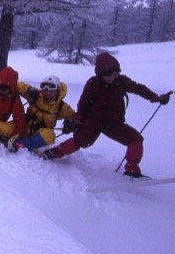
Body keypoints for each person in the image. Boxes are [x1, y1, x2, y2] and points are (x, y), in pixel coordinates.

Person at [42, 52, 170, 178]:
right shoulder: (92, 83)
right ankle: (52, 153)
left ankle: (132, 169)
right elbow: (83, 103)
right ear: (100, 74)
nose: (112, 77)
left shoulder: (122, 81)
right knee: (79, 141)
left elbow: (138, 89)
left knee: (135, 139)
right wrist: (77, 119)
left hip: (114, 124)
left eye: (115, 73)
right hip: (93, 122)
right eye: (108, 75)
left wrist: (156, 98)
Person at [6, 75, 75, 152]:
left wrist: (69, 123)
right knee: (1, 128)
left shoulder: (61, 106)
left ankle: (21, 144)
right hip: (25, 126)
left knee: (50, 135)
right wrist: (29, 89)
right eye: (45, 90)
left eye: (51, 91)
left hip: (40, 134)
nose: (48, 93)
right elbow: (17, 86)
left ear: (57, 91)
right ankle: (8, 138)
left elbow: (73, 116)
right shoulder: (37, 95)